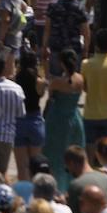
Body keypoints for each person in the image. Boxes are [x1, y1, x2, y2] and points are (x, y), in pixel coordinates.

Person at [41, 51, 85, 187]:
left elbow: (51, 97)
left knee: (55, 155)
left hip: (57, 119)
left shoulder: (57, 82)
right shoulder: (81, 79)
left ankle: (57, 185)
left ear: (62, 63)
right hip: (75, 118)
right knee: (73, 154)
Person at [81, 30, 107, 148]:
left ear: (95, 45)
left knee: (90, 147)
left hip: (91, 114)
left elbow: (85, 88)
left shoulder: (85, 64)